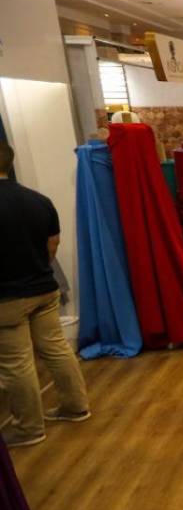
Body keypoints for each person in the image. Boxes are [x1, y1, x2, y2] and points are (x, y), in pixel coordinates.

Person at [0, 143, 91, 448]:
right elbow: (52, 246)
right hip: (43, 287)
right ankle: (75, 406)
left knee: (17, 363)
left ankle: (28, 428)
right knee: (56, 348)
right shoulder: (38, 200)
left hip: (7, 298)